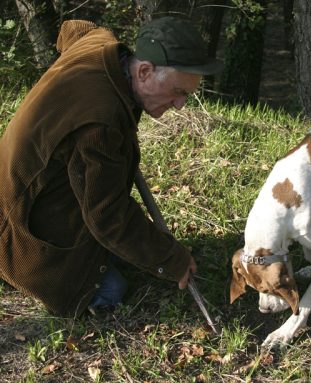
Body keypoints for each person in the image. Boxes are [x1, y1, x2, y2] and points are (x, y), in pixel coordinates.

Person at [0, 17, 223, 317]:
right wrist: (171, 258)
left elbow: (73, 29)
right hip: (16, 229)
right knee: (110, 288)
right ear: (144, 71)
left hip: (26, 192)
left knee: (120, 250)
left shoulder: (100, 43)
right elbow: (106, 215)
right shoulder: (101, 122)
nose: (180, 105)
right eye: (178, 92)